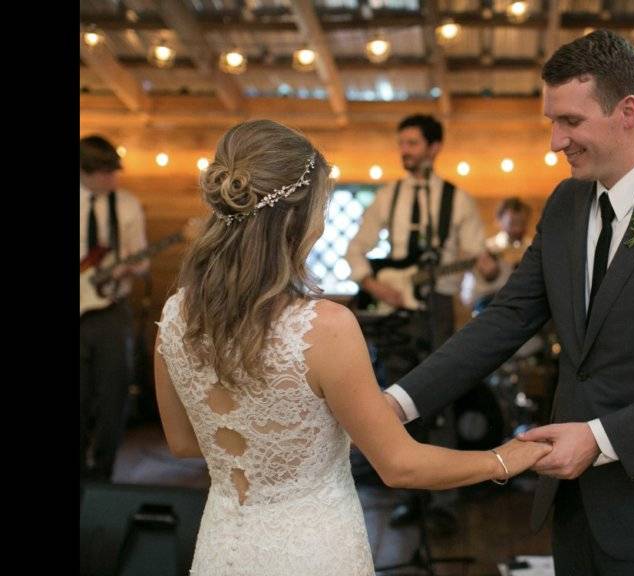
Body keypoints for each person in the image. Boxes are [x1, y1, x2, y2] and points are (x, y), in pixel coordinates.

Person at [385, 30, 634, 575]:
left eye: (570, 122)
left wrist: (601, 438)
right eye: (551, 122)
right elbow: (508, 318)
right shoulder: (566, 203)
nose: (555, 142)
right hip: (572, 506)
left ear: (627, 111)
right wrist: (396, 404)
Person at [153, 119, 550, 575]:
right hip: (313, 548)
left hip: (223, 545)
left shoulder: (175, 317)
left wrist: (274, 442)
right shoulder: (326, 327)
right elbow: (400, 466)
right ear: (296, 217)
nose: (323, 219)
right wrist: (506, 458)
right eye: (323, 203)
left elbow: (183, 442)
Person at [346, 114, 498, 532]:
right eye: (402, 143)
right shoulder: (387, 197)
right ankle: (407, 499)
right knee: (398, 405)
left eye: (412, 143)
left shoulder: (458, 199)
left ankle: (446, 501)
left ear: (434, 148)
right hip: (395, 315)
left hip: (440, 308)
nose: (405, 151)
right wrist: (375, 286)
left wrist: (485, 267)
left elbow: (480, 263)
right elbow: (355, 250)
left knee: (443, 401)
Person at [80, 134, 149, 485]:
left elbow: (142, 260)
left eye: (114, 172)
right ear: (84, 172)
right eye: (105, 173)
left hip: (112, 310)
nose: (112, 180)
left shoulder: (127, 205)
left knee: (114, 393)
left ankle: (102, 475)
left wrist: (129, 268)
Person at [460, 196, 533, 316]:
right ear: (499, 220)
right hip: (491, 310)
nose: (518, 229)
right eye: (513, 223)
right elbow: (467, 296)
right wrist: (489, 277)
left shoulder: (532, 249)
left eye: (522, 223)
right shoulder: (485, 251)